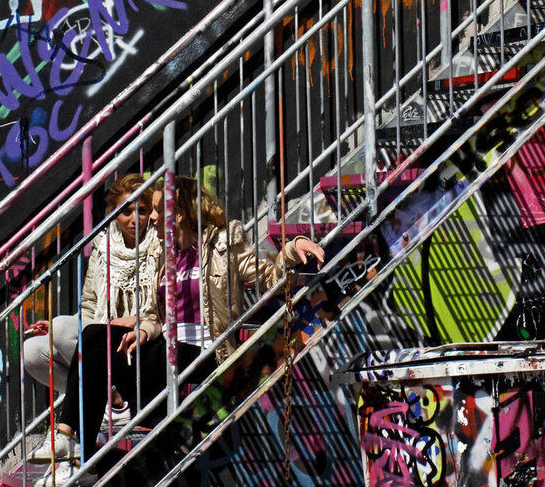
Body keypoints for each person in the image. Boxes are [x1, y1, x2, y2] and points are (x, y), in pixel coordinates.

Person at [32, 176, 325, 484]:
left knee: (140, 349)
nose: (152, 217)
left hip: (206, 357)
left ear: (180, 213)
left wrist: (293, 248)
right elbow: (153, 316)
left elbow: (267, 276)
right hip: (168, 358)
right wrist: (143, 332)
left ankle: (75, 448)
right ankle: (74, 444)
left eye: (157, 210)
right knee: (94, 336)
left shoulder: (223, 244)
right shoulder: (163, 254)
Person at [23, 173, 157, 395]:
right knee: (32, 351)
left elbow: (164, 308)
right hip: (105, 330)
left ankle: (114, 396)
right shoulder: (103, 246)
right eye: (126, 212)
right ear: (114, 213)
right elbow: (90, 304)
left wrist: (136, 320)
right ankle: (107, 399)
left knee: (61, 328)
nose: (135, 219)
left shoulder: (159, 245)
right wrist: (60, 327)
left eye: (141, 211)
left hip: (141, 333)